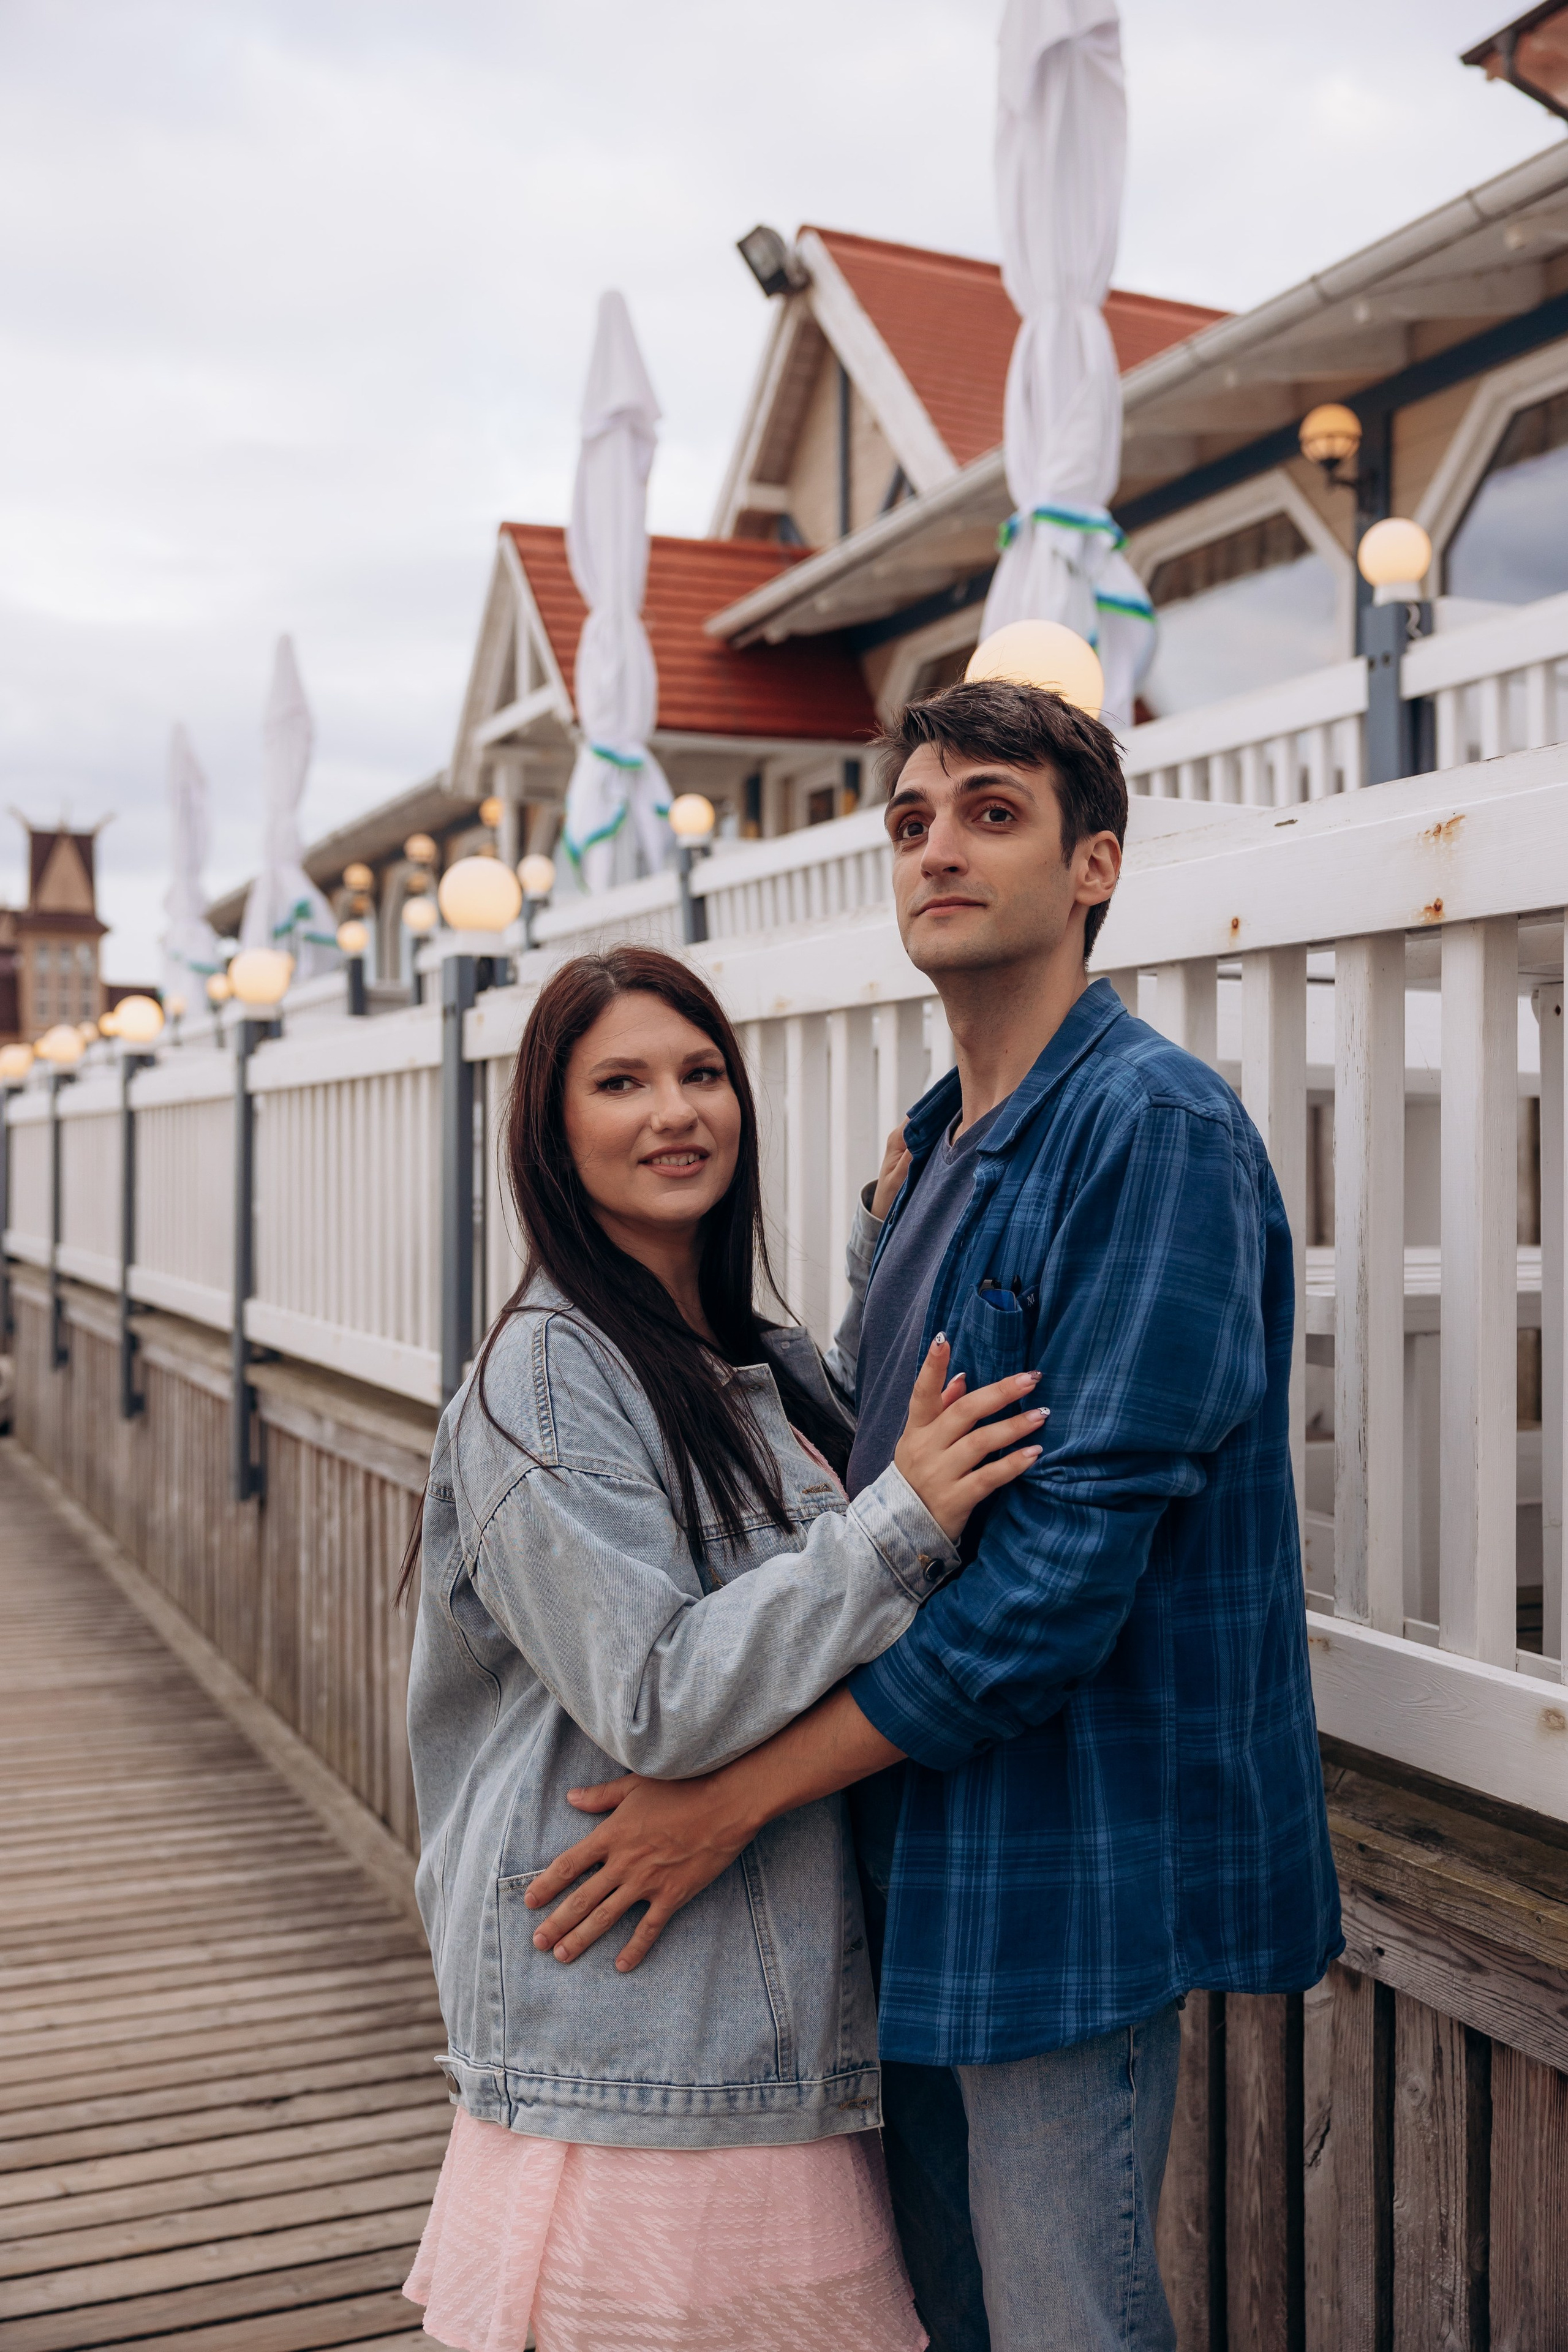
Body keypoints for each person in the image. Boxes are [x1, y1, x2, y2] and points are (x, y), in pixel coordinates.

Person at [522, 680, 1345, 2352]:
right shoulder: (933, 1145)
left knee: (1065, 2321)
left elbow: (1051, 1592)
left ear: (1092, 863)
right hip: (909, 1856)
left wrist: (730, 1802)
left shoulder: (1150, 1130)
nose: (937, 848)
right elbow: (882, 1502)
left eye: (991, 812)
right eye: (910, 821)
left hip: (1068, 1857)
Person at [400, 944, 1044, 2352]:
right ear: (552, 1133)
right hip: (641, 2035)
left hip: (766, 2020)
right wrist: (895, 1527)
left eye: (699, 1074)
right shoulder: (548, 1371)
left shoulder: (755, 1354)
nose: (672, 1111)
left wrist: (897, 1242)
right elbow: (655, 1693)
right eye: (619, 1082)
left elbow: (860, 1477)